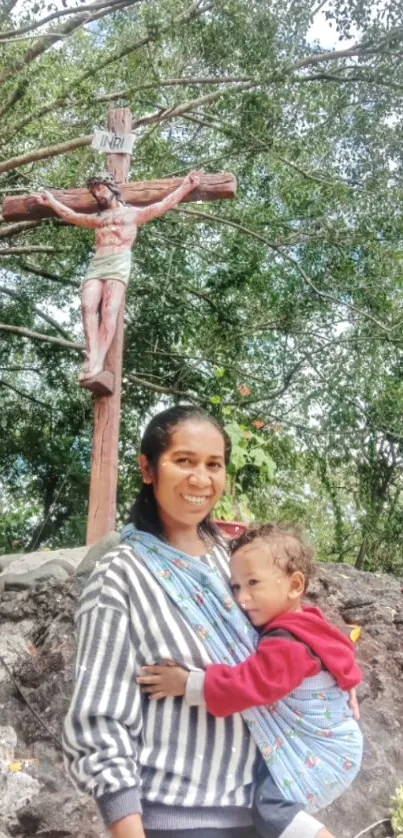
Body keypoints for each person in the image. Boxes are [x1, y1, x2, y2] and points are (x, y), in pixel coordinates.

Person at [62, 406, 356, 838]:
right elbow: (100, 721)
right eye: (184, 461)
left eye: (213, 465)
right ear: (148, 468)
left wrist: (338, 683)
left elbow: (294, 636)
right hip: (180, 819)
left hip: (259, 807)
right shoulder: (119, 578)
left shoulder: (236, 564)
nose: (201, 479)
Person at [138, 524, 364, 838]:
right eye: (234, 587)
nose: (242, 599)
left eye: (253, 584)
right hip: (335, 742)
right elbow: (343, 651)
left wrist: (186, 683)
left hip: (322, 747)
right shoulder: (307, 622)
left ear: (295, 585)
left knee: (271, 810)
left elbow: (248, 686)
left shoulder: (287, 643)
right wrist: (349, 680)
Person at [34, 171, 201, 380]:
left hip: (119, 261)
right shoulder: (99, 218)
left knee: (109, 308)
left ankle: (98, 359)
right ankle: (92, 354)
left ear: (112, 187)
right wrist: (50, 202)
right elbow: (72, 216)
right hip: (98, 262)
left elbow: (162, 205)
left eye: (100, 188)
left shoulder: (133, 214)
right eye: (94, 191)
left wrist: (186, 186)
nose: (98, 194)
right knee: (87, 306)